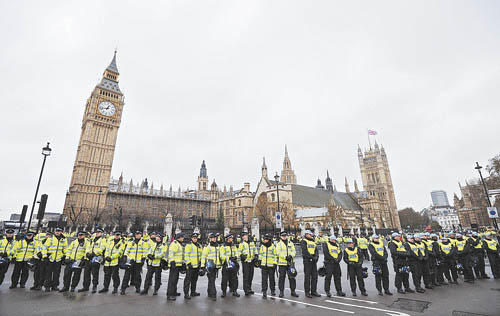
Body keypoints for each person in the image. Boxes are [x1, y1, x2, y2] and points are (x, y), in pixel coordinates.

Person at [80, 228, 107, 293]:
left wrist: (94, 253)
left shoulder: (103, 240)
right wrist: (87, 253)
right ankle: (85, 287)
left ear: (102, 233)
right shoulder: (92, 238)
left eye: (99, 232)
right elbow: (88, 246)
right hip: (88, 257)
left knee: (95, 273)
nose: (97, 233)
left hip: (96, 258)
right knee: (86, 273)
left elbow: (102, 248)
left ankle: (94, 286)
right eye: (96, 232)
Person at [44, 227, 68, 291]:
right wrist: (45, 257)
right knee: (48, 273)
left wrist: (66, 256)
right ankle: (47, 286)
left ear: (61, 232)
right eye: (56, 231)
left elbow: (65, 249)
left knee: (57, 273)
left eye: (59, 231)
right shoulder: (50, 239)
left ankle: (55, 286)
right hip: (50, 258)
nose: (57, 232)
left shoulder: (64, 240)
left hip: (58, 259)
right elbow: (44, 248)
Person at [276, 231, 299, 298]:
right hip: (282, 264)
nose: (284, 237)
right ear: (280, 236)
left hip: (290, 263)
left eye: (285, 236)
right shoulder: (278, 244)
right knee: (282, 278)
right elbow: (278, 252)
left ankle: (293, 291)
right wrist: (285, 257)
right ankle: (281, 292)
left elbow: (294, 251)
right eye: (283, 236)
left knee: (292, 278)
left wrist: (291, 256)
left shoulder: (290, 243)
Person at [201, 233, 222, 301]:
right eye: (213, 238)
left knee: (211, 280)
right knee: (212, 279)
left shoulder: (218, 246)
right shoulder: (207, 247)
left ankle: (209, 292)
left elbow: (219, 256)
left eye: (215, 238)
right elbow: (204, 256)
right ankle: (213, 294)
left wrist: (221, 263)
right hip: (210, 266)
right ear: (210, 239)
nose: (214, 239)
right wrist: (203, 266)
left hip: (216, 266)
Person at [301, 230, 320, 298]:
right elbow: (305, 251)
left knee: (315, 276)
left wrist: (316, 257)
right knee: (307, 277)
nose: (311, 235)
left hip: (313, 260)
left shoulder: (313, 241)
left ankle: (313, 291)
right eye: (310, 234)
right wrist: (312, 257)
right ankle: (307, 292)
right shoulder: (304, 241)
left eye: (311, 234)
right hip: (307, 260)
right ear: (306, 234)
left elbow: (316, 250)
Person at [183, 232, 202, 299]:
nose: (195, 239)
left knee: (194, 280)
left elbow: (200, 256)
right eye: (194, 238)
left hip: (196, 266)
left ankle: (193, 292)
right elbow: (186, 255)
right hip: (190, 266)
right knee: (188, 281)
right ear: (191, 238)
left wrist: (201, 264)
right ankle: (186, 293)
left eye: (196, 238)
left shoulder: (199, 246)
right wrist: (188, 263)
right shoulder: (189, 245)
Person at [238, 231, 257, 296]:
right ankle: (246, 290)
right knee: (246, 276)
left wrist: (256, 255)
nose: (244, 237)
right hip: (245, 262)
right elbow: (239, 252)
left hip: (251, 261)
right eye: (243, 236)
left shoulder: (251, 242)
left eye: (245, 235)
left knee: (251, 276)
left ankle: (249, 288)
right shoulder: (241, 244)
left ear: (247, 236)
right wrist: (241, 256)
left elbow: (255, 249)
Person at [167, 232, 184, 301]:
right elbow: (171, 253)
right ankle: (169, 294)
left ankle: (174, 292)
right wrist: (173, 262)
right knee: (172, 280)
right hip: (174, 265)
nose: (183, 238)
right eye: (182, 237)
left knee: (175, 279)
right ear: (179, 237)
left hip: (177, 265)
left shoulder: (178, 244)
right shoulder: (175, 244)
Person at [259, 234, 276, 299]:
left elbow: (275, 256)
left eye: (266, 239)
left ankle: (272, 290)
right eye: (264, 239)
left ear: (269, 240)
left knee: (272, 279)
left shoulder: (273, 246)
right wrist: (260, 261)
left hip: (271, 265)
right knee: (264, 280)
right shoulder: (262, 246)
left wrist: (274, 263)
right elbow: (261, 254)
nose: (265, 240)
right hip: (264, 265)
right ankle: (264, 291)